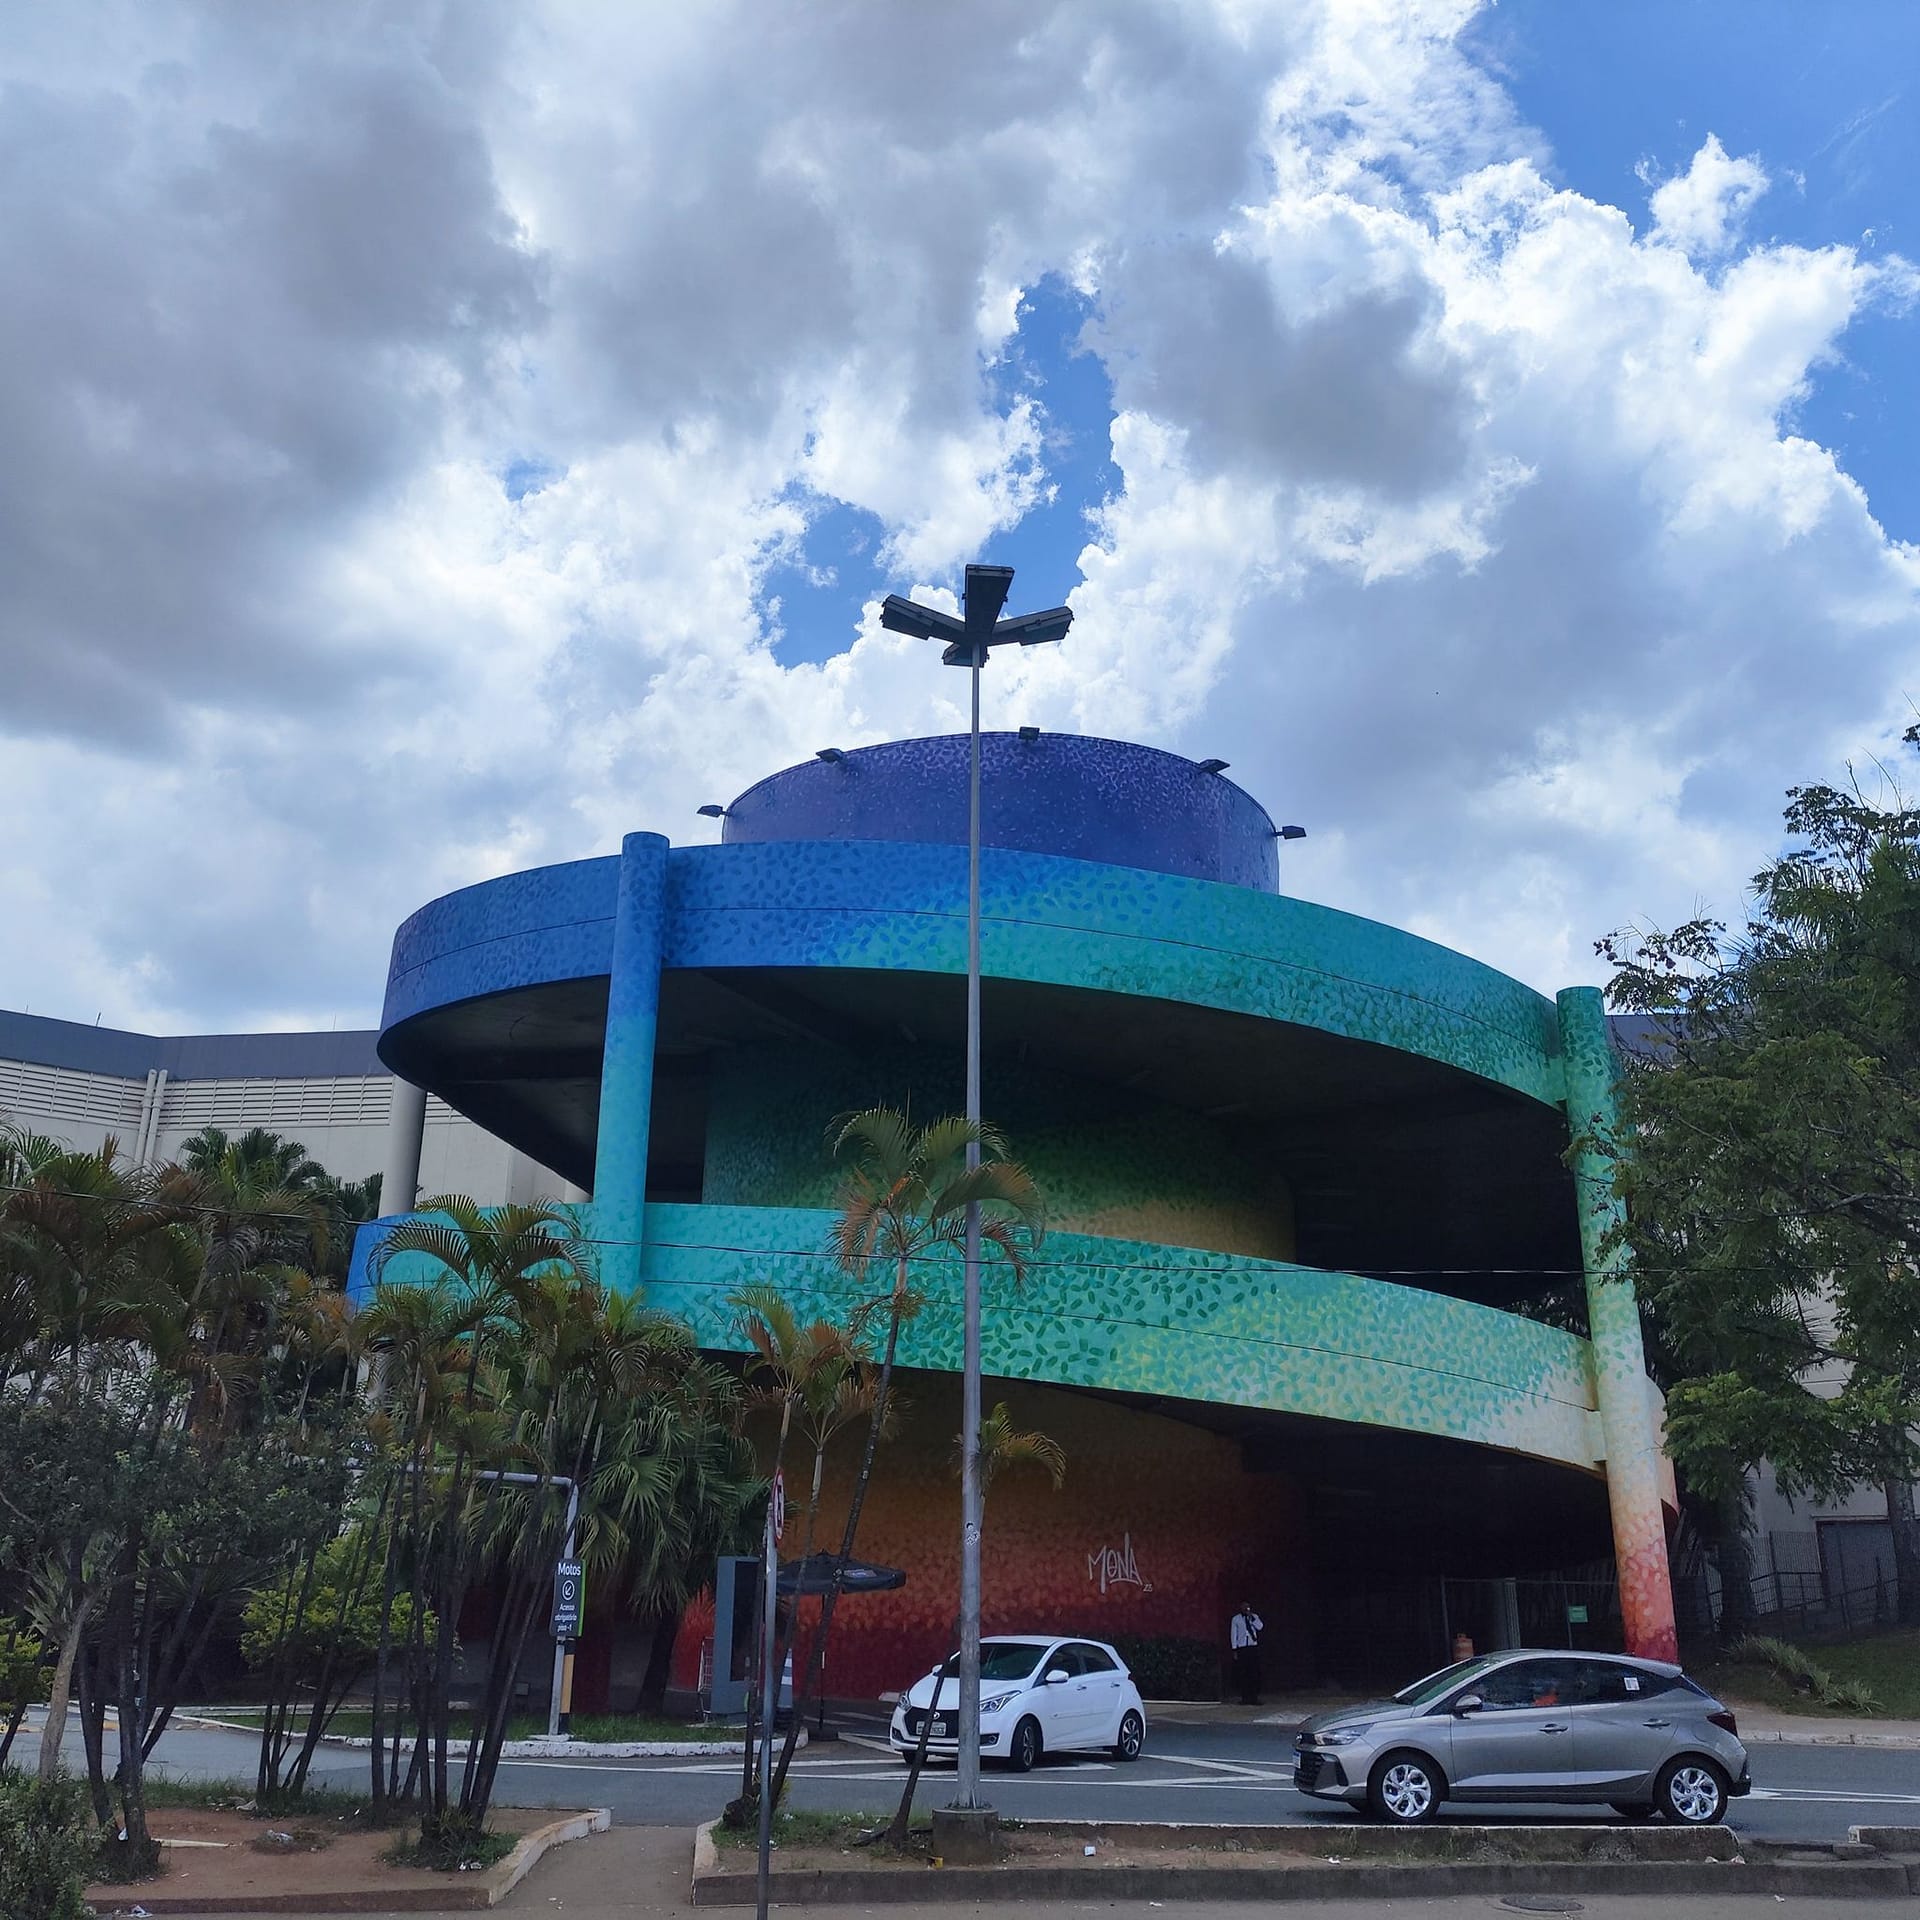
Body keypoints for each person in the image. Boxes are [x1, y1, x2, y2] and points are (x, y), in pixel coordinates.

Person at [1228, 1600, 1264, 1705]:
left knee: (1254, 1673)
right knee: (1244, 1673)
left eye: (1247, 1607)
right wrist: (1234, 1649)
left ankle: (1254, 1697)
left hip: (1252, 1647)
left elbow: (1260, 1627)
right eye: (1244, 1607)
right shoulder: (1236, 1619)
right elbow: (1233, 1634)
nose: (1246, 1609)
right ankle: (1245, 1697)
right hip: (1242, 1647)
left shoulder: (1254, 1617)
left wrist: (1251, 1617)